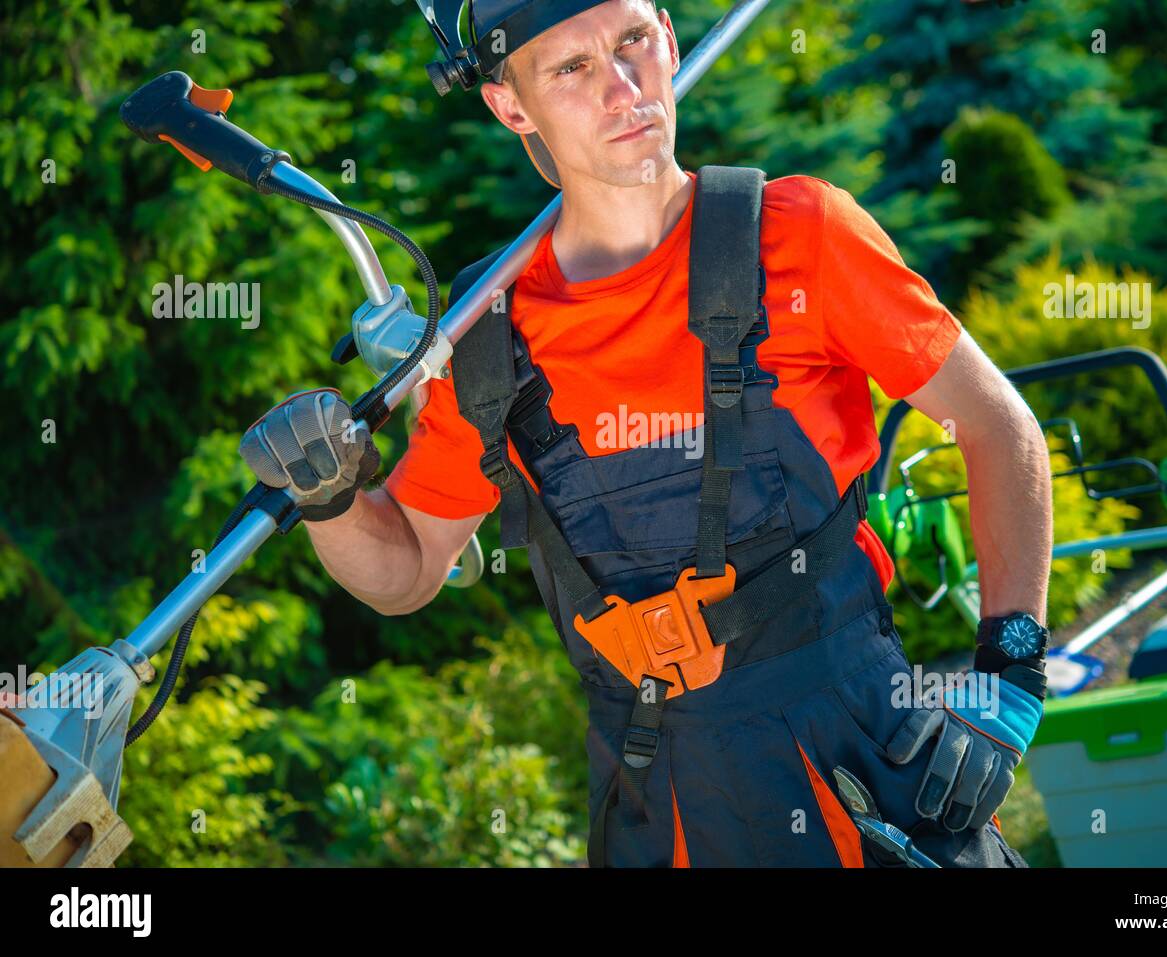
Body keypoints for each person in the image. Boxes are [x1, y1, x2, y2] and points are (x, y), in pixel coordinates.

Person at [239, 0, 1053, 867]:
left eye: (631, 43)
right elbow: (405, 567)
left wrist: (1010, 672)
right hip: (657, 809)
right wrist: (328, 500)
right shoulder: (487, 338)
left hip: (871, 774)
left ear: (669, 36)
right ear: (511, 106)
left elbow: (998, 428)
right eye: (571, 69)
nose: (623, 88)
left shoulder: (800, 236)